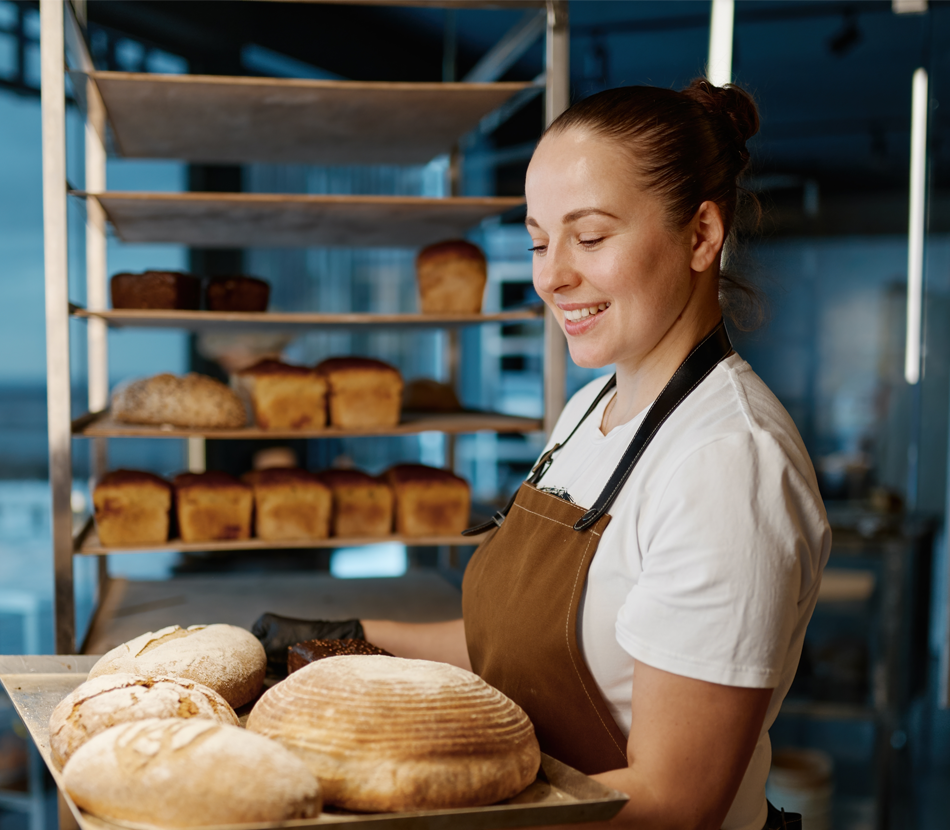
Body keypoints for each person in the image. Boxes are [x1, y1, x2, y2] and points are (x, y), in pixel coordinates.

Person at [254, 79, 831, 830]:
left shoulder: (728, 464)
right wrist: (348, 640)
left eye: (589, 237)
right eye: (537, 239)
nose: (551, 275)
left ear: (700, 235)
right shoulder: (589, 408)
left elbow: (673, 803)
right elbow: (524, 643)